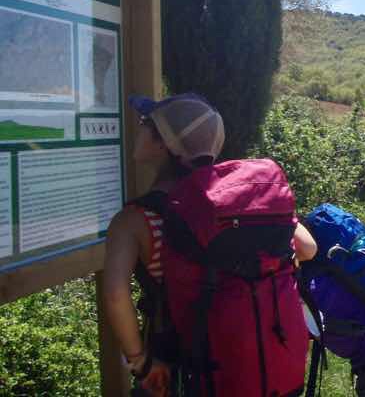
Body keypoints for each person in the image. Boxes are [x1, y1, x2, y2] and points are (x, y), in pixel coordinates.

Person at [103, 93, 317, 396]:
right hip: (238, 360)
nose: (137, 128)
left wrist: (141, 362)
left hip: (173, 363)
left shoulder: (135, 219)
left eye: (145, 123)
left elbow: (114, 293)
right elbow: (308, 248)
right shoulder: (232, 204)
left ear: (162, 142)